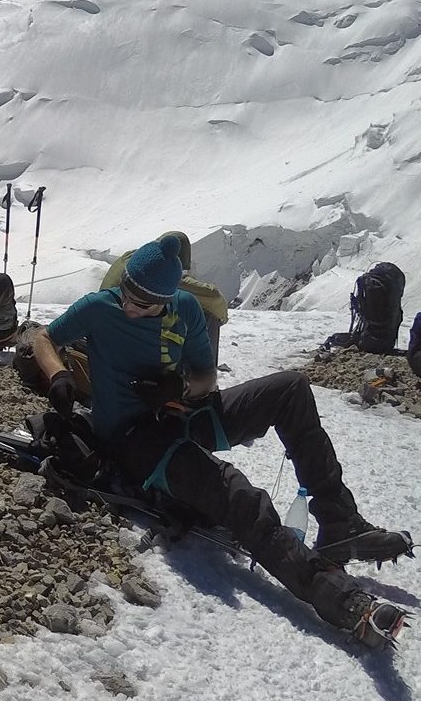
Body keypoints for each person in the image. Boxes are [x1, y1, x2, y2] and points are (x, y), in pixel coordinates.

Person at [30, 234, 411, 647]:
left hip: (182, 414)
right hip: (134, 438)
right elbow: (43, 338)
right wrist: (59, 375)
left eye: (142, 304)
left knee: (290, 388)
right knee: (237, 493)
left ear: (165, 300)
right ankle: (342, 599)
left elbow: (206, 378)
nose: (129, 306)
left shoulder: (186, 308)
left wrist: (179, 387)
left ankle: (339, 521)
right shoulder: (99, 308)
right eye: (126, 294)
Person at [99, 230, 229, 355]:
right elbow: (213, 298)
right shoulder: (159, 272)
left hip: (108, 324)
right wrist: (221, 317)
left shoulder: (131, 258)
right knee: (207, 316)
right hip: (124, 335)